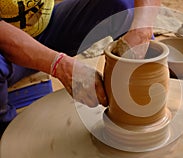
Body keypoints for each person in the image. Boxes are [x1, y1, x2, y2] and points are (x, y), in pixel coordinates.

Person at [0, 0, 161, 137]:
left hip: (44, 30)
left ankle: (144, 112)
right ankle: (7, 137)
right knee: (16, 141)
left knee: (122, 4)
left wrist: (142, 30)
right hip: (4, 50)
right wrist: (60, 65)